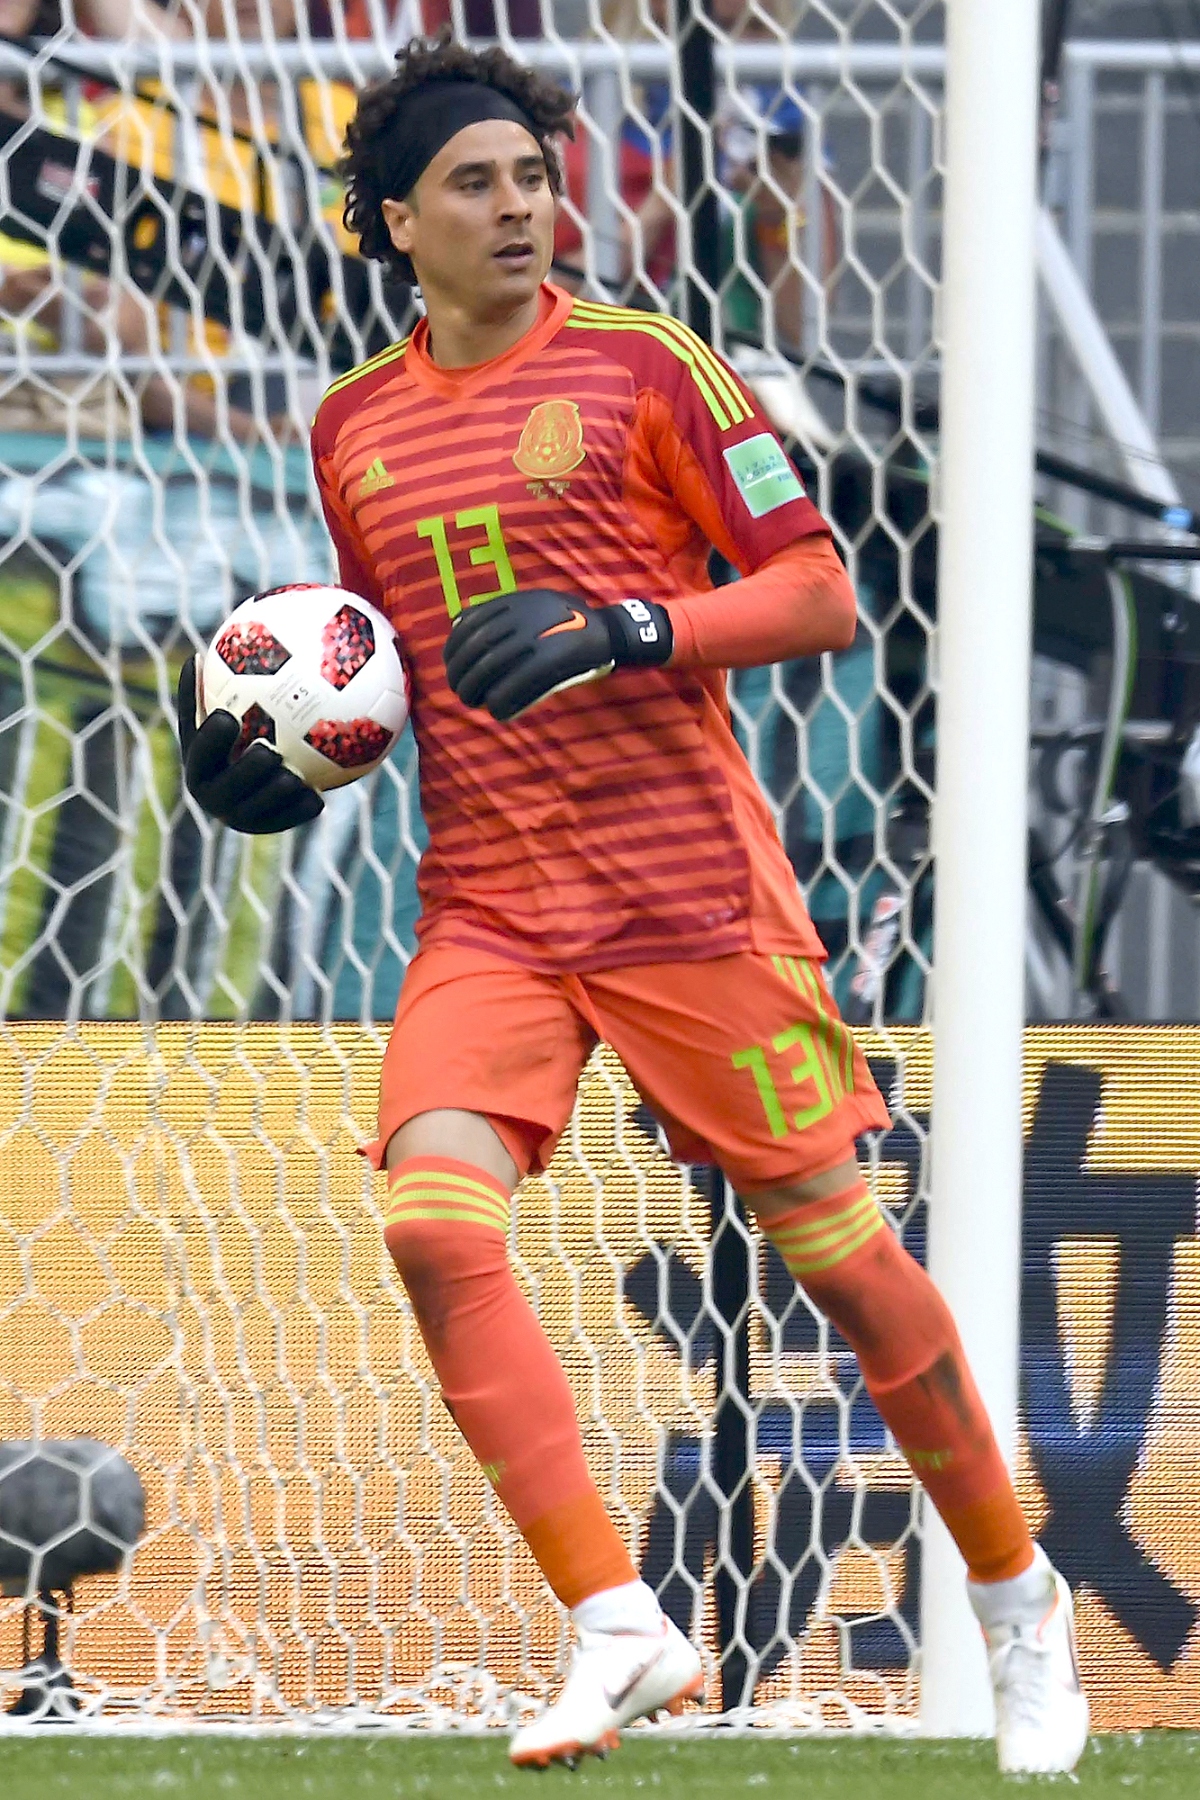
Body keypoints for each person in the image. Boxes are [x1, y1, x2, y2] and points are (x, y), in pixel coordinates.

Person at [174, 31, 1090, 1776]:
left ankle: (1015, 1592)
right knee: (438, 1229)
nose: (521, 207)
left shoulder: (652, 366)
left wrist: (634, 626)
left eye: (534, 177)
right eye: (477, 184)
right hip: (491, 908)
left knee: (854, 1274)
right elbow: (380, 673)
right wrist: (285, 768)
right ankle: (617, 1618)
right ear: (390, 224)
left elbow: (820, 593)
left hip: (688, 902)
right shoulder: (351, 428)